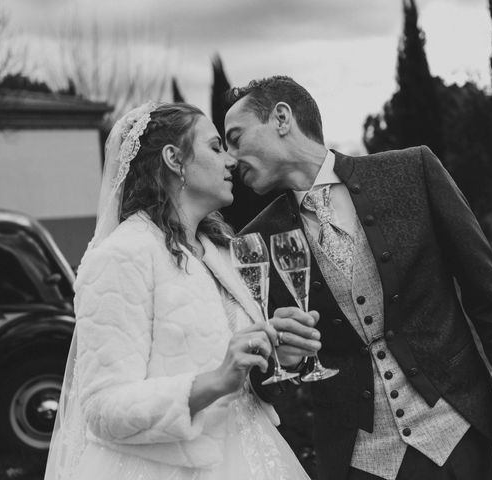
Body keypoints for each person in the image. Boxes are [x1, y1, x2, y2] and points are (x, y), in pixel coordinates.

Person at [224, 76, 492, 480]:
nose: (229, 157)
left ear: (281, 117)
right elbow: (262, 383)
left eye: (236, 137)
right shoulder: (254, 242)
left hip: (456, 436)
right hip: (358, 461)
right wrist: (282, 358)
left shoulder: (411, 171)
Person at [44, 102, 320, 480]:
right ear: (175, 159)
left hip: (256, 456)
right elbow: (102, 408)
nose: (231, 162)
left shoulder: (223, 251)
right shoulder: (123, 255)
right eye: (215, 147)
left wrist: (280, 355)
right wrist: (213, 382)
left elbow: (243, 380)